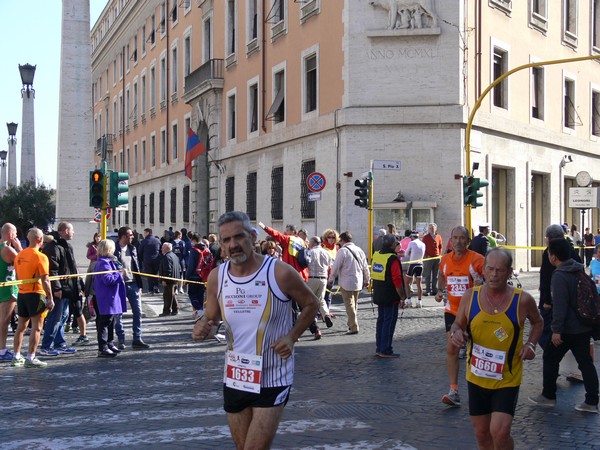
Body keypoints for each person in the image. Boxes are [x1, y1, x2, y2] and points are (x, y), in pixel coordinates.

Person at [192, 211, 319, 450]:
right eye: (226, 240)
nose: (233, 245)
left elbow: (312, 303)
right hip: (235, 376)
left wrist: (292, 337)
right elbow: (211, 320)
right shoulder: (217, 277)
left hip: (272, 376)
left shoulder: (279, 272)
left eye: (238, 237)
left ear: (252, 236)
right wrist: (201, 329)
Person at [449, 248, 543, 449]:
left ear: (509, 272)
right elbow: (457, 324)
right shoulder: (470, 296)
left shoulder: (522, 300)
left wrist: (531, 344)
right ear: (483, 270)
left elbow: (538, 322)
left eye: (499, 270)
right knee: (482, 435)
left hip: (507, 379)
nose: (493, 274)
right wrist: (456, 333)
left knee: (500, 433)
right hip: (476, 377)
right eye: (490, 269)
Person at [529, 238, 599, 413]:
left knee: (550, 358)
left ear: (553, 257)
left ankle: (548, 396)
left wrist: (556, 331)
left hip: (568, 329)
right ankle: (592, 400)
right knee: (585, 363)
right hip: (583, 326)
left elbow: (559, 306)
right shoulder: (578, 269)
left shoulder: (560, 275)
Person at [435, 226, 485, 407]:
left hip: (474, 311)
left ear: (468, 241)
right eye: (455, 238)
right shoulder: (446, 260)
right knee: (452, 349)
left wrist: (482, 283)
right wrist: (440, 290)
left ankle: (482, 389)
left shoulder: (476, 260)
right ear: (450, 240)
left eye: (462, 238)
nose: (458, 241)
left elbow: (492, 278)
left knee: (478, 352)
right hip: (452, 311)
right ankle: (453, 390)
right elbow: (442, 275)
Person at [12, 228, 54, 368]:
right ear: (40, 240)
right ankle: (31, 357)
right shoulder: (40, 256)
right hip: (36, 293)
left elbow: (18, 277)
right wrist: (50, 298)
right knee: (37, 327)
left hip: (22, 294)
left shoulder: (19, 255)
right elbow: (45, 279)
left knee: (21, 327)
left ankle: (16, 356)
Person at [40, 223, 81, 355]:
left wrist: (77, 286)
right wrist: (56, 288)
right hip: (60, 289)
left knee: (63, 316)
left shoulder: (64, 245)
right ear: (65, 230)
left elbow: (72, 268)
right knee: (55, 318)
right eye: (72, 230)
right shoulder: (54, 246)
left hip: (67, 288)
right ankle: (46, 346)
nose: (73, 233)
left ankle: (60, 343)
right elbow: (53, 270)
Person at [114, 226, 150, 350]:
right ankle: (121, 338)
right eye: (130, 235)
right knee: (118, 313)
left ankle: (137, 338)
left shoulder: (133, 248)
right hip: (119, 285)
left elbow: (136, 267)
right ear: (123, 236)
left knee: (138, 312)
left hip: (133, 283)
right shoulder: (114, 249)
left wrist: (140, 285)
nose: (133, 237)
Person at [328, 231, 370, 335]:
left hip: (346, 281)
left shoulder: (342, 251)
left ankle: (353, 326)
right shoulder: (359, 250)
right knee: (354, 304)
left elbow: (336, 266)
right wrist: (367, 279)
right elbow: (365, 266)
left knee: (349, 304)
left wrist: (331, 278)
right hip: (358, 281)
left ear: (342, 240)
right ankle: (350, 323)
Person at [372, 234, 406, 358]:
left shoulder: (377, 255)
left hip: (379, 293)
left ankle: (379, 347)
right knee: (388, 322)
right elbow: (397, 279)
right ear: (392, 245)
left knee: (381, 321)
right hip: (391, 295)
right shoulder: (393, 259)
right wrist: (402, 296)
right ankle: (385, 350)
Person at [93, 239, 127, 358]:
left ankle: (110, 343)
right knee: (105, 322)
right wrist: (120, 274)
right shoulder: (103, 263)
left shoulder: (109, 261)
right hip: (107, 296)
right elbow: (108, 280)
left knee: (111, 321)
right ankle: (103, 347)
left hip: (111, 295)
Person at [0, 223, 22, 361]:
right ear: (10, 234)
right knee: (4, 321)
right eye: (15, 234)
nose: (16, 236)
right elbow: (24, 261)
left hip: (4, 286)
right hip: (8, 289)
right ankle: (2, 350)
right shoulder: (7, 249)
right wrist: (19, 247)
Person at [306, 236, 334, 334]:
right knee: (321, 299)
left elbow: (306, 264)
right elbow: (330, 266)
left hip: (312, 278)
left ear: (313, 243)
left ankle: (313, 320)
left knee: (310, 301)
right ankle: (326, 315)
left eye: (309, 242)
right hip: (323, 278)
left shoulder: (310, 252)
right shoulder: (327, 253)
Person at [186, 232, 214, 319]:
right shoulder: (206, 249)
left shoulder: (194, 250)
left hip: (194, 276)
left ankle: (200, 311)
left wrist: (187, 278)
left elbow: (191, 266)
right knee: (200, 295)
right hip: (204, 275)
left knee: (192, 294)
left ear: (193, 240)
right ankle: (201, 311)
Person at [158, 242, 181, 316]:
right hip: (175, 278)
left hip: (169, 280)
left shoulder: (167, 257)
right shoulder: (174, 255)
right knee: (172, 295)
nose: (161, 249)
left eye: (163, 247)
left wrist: (164, 280)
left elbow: (168, 269)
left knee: (167, 296)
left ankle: (166, 311)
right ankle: (175, 309)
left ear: (167, 248)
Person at [404, 232, 425, 308]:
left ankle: (409, 301)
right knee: (419, 284)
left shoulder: (412, 243)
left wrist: (411, 254)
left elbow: (406, 254)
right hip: (420, 264)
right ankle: (420, 302)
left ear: (412, 237)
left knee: (406, 283)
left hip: (412, 264)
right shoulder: (423, 244)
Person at [138, 228, 162, 294]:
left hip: (147, 260)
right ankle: (156, 287)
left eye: (144, 233)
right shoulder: (157, 240)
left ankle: (151, 289)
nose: (144, 234)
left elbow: (140, 251)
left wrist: (141, 259)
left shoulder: (144, 241)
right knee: (156, 274)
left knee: (149, 274)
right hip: (156, 259)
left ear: (148, 233)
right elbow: (161, 250)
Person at [422, 223, 442, 296]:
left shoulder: (438, 236)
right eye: (430, 228)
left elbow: (440, 246)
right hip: (428, 258)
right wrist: (426, 255)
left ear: (435, 229)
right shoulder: (426, 237)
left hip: (437, 258)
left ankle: (434, 289)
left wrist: (439, 254)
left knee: (435, 274)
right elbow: (423, 247)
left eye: (433, 228)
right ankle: (427, 289)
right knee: (428, 274)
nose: (432, 229)